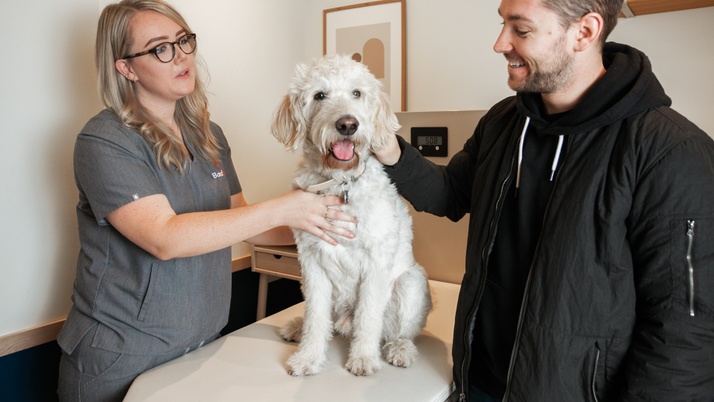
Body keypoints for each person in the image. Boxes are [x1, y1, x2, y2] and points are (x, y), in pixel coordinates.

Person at [374, 0, 714, 400]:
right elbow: (451, 193)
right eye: (503, 24)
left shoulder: (672, 152)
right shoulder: (503, 123)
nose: (500, 43)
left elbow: (684, 332)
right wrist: (386, 148)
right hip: (477, 383)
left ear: (584, 32)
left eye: (521, 29)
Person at [56, 1, 354, 400]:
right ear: (126, 67)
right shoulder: (105, 141)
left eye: (184, 41)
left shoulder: (206, 134)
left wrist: (335, 226)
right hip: (122, 356)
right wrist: (287, 206)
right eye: (161, 48)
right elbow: (165, 237)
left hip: (202, 347)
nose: (181, 56)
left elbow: (245, 222)